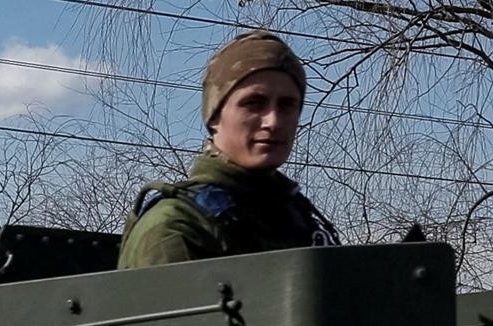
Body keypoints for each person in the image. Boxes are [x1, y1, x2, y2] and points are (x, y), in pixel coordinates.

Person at [118, 30, 339, 270]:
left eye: (287, 105)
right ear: (214, 116)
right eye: (253, 104)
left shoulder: (297, 220)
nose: (273, 122)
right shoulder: (176, 226)